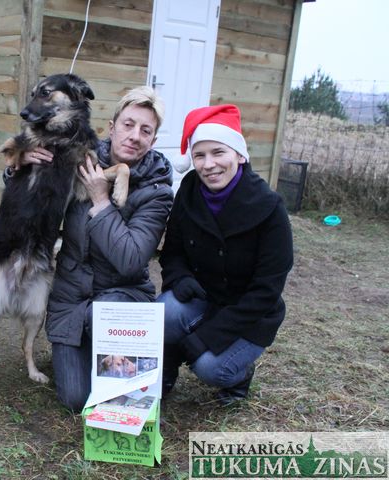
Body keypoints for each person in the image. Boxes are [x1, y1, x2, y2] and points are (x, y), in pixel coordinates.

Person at [15, 86, 174, 412]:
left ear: (153, 141)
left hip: (122, 296)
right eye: (128, 125)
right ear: (112, 127)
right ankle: (94, 348)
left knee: (104, 322)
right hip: (71, 298)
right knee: (75, 399)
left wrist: (101, 201)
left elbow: (130, 261)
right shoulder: (80, 158)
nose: (135, 136)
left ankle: (123, 352)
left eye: (146, 130)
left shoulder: (157, 192)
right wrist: (21, 167)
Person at [158, 104, 293, 405]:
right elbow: (173, 252)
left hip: (249, 313)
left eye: (218, 152)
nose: (208, 165)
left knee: (210, 368)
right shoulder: (188, 191)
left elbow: (266, 291)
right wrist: (178, 278)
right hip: (206, 298)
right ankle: (166, 366)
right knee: (165, 310)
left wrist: (208, 337)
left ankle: (240, 375)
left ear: (239, 155)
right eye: (199, 155)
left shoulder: (270, 208)